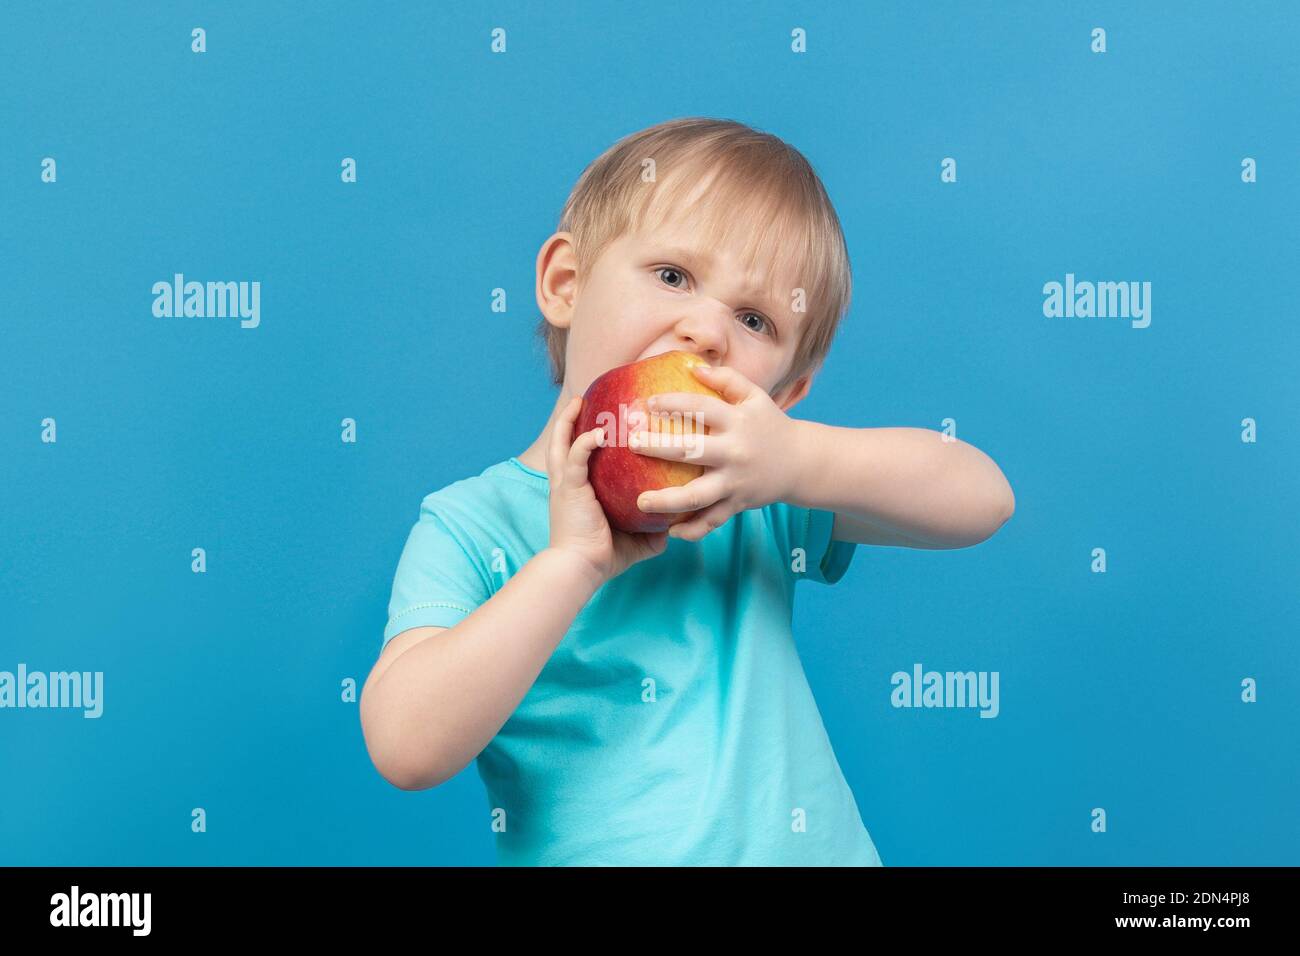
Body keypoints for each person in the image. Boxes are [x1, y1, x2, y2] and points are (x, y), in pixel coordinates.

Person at [359, 117, 1015, 865]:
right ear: (565, 284)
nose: (707, 329)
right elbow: (406, 746)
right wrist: (571, 565)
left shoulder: (755, 493)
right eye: (672, 275)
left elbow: (982, 499)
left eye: (755, 319)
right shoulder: (470, 525)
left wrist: (792, 458)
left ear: (787, 390)